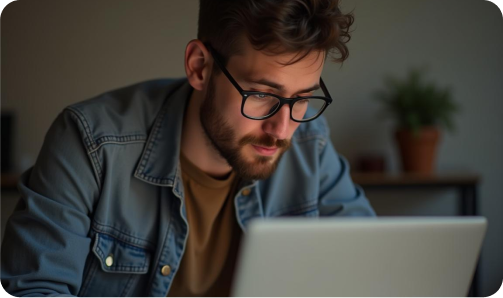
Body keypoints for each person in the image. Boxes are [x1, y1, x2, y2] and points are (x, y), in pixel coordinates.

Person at [0, 0, 375, 297]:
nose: (282, 129)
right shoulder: (90, 142)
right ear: (199, 67)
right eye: (262, 94)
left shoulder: (311, 144)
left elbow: (374, 271)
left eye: (302, 99)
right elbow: (35, 288)